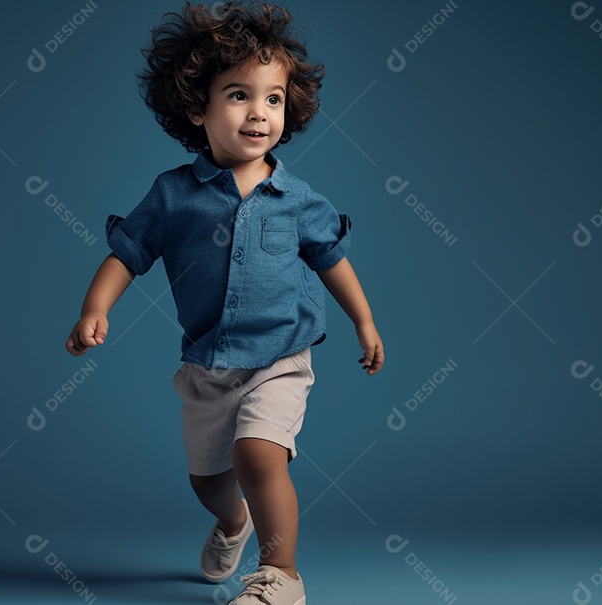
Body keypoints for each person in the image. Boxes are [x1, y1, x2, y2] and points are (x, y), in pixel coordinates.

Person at [63, 3, 383, 603]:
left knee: (259, 455)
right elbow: (127, 253)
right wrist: (94, 308)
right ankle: (232, 521)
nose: (259, 112)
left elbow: (333, 260)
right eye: (239, 95)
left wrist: (363, 321)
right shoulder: (172, 194)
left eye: (274, 99)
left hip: (280, 357)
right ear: (196, 108)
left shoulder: (298, 200)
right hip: (208, 365)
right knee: (208, 480)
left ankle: (280, 577)